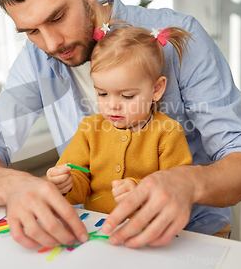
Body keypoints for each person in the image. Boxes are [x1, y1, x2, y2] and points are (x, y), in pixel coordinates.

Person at [0, 0, 241, 249]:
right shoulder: (36, 59)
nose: (51, 44)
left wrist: (188, 183)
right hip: (96, 236)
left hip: (190, 237)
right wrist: (10, 185)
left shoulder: (177, 38)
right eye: (32, 31)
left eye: (57, 17)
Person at [47, 23, 194, 215]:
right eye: (102, 94)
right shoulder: (89, 129)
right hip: (99, 231)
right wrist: (66, 183)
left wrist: (142, 191)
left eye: (127, 96)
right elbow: (78, 184)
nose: (112, 105)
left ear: (156, 90)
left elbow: (178, 188)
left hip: (150, 231)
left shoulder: (168, 132)